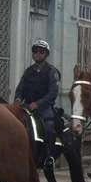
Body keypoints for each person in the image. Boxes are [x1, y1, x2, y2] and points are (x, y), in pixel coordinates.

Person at [14, 39, 60, 169]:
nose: (38, 54)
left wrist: (38, 104)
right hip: (27, 107)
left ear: (46, 54)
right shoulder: (28, 71)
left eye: (41, 51)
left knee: (49, 128)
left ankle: (49, 157)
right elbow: (20, 89)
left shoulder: (52, 71)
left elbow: (52, 93)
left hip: (43, 109)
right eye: (35, 51)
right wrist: (17, 100)